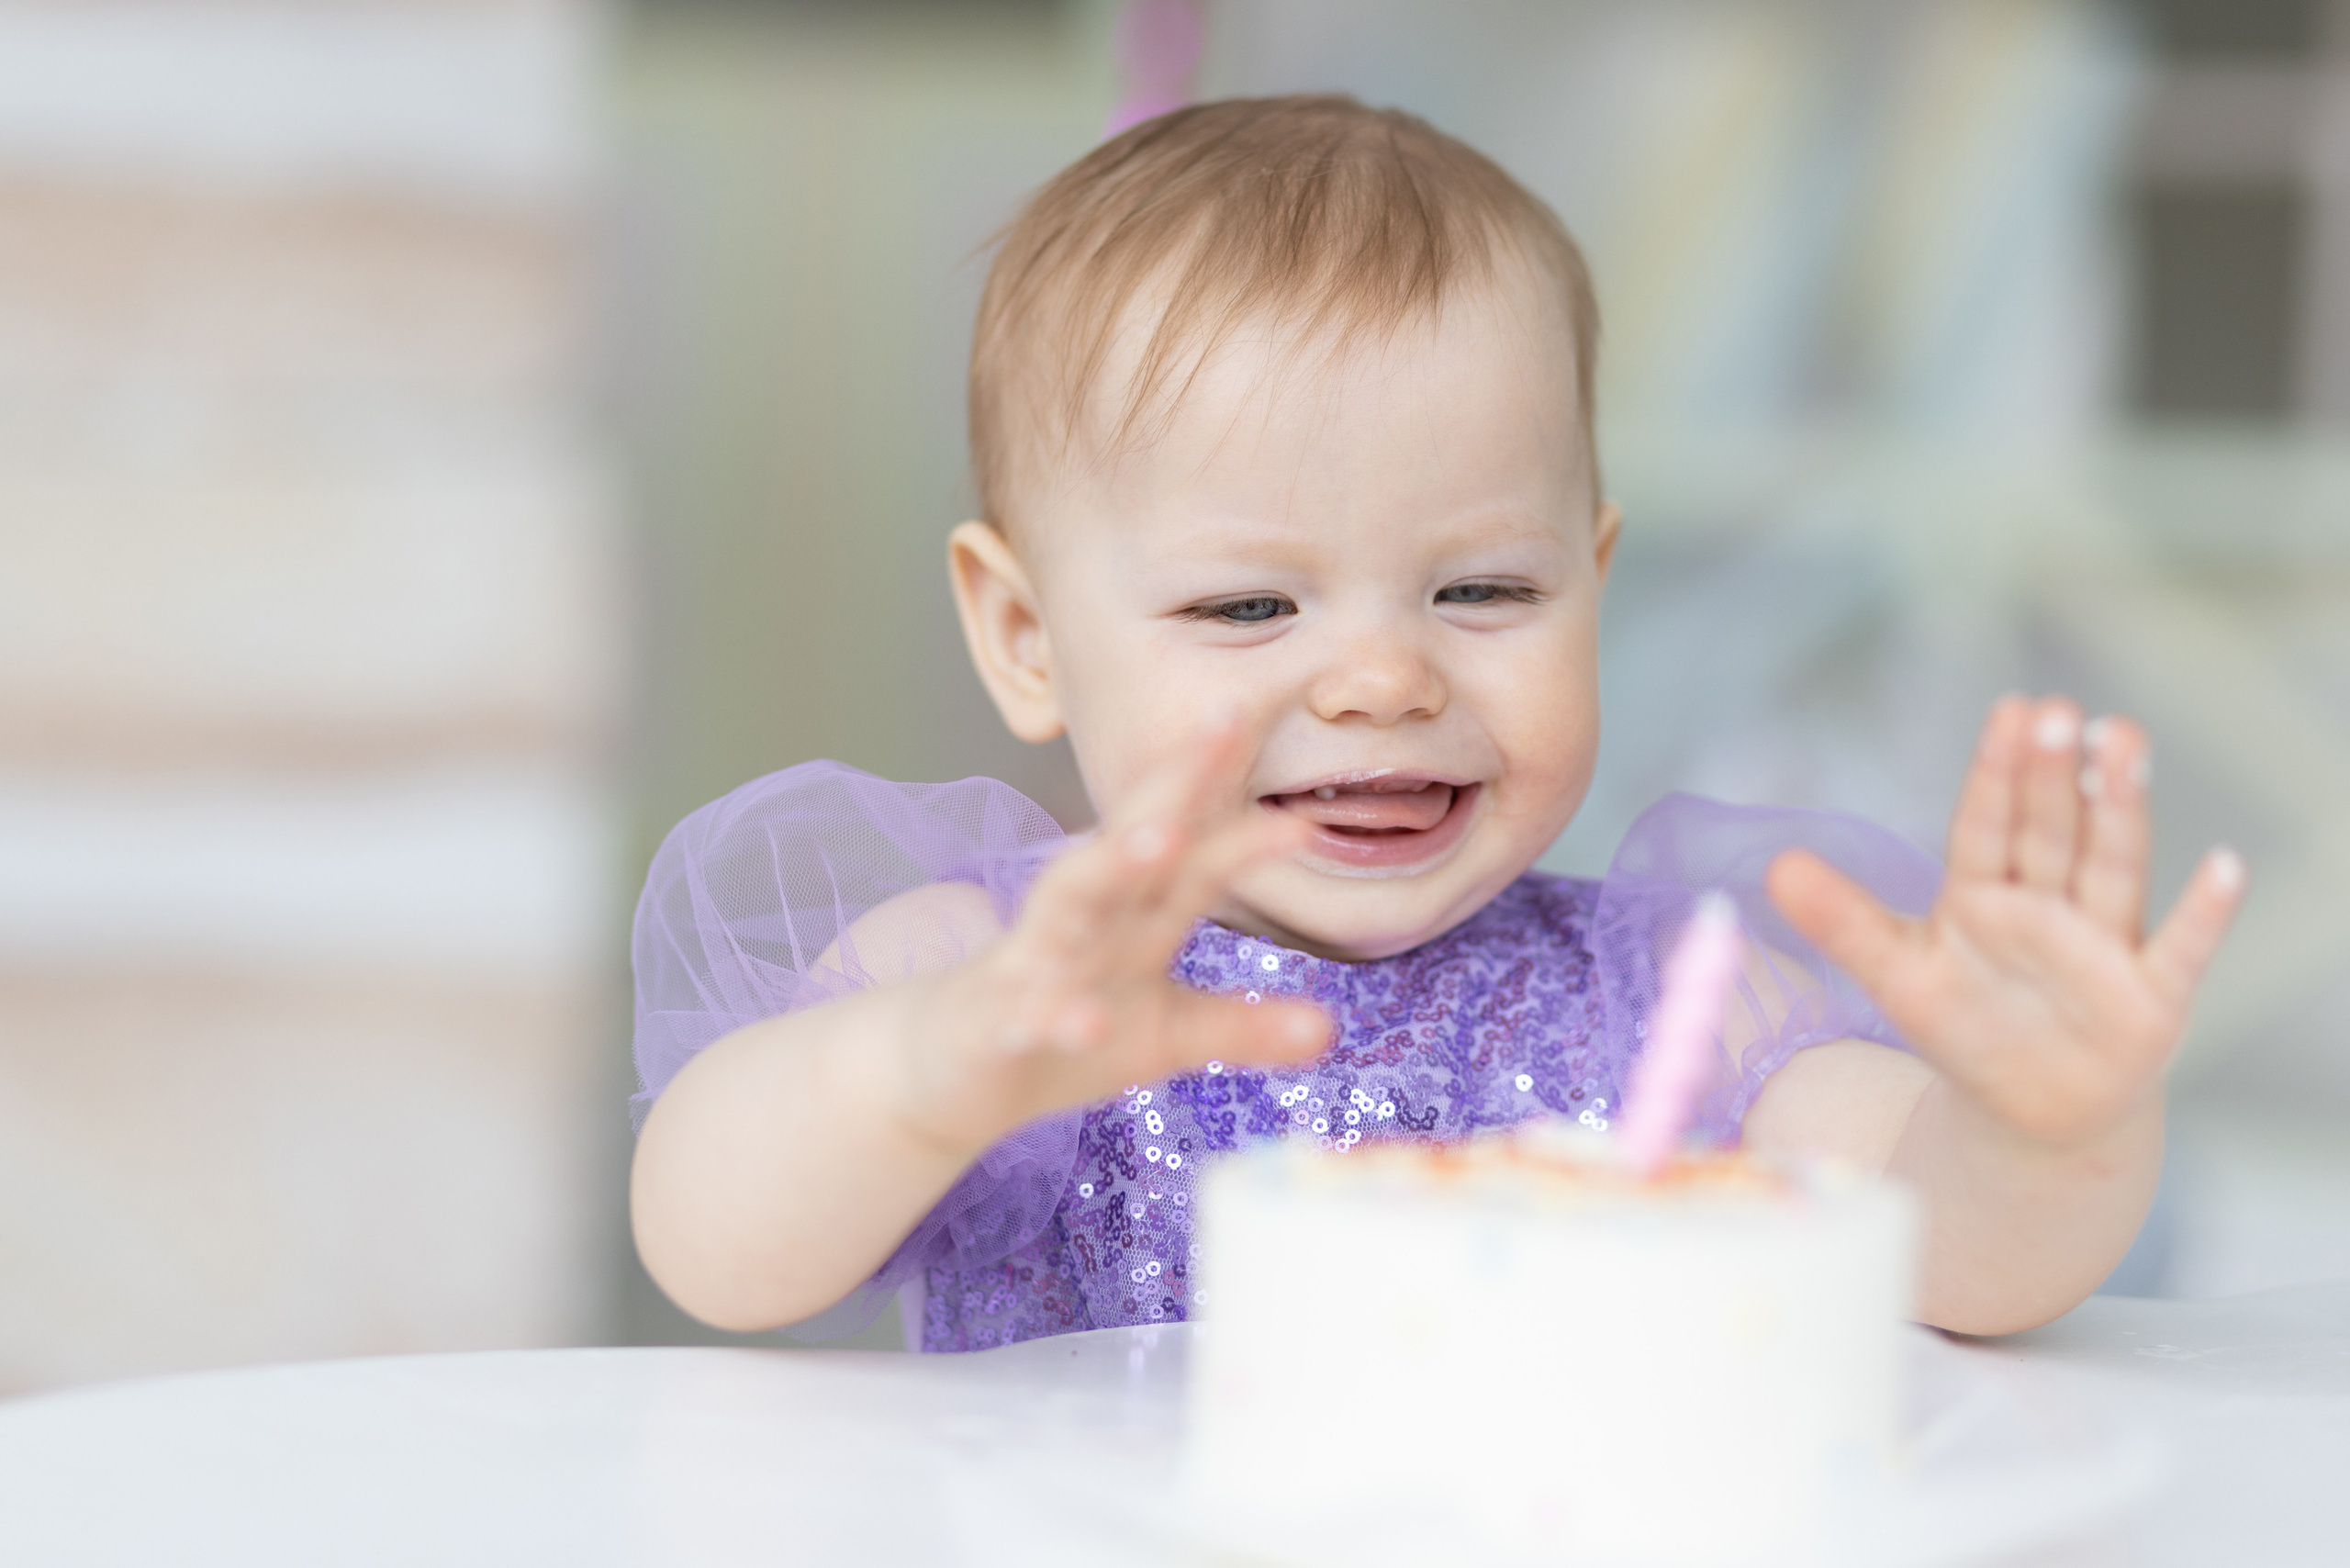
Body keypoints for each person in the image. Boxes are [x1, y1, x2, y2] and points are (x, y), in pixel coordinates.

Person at [627, 95, 2244, 1351]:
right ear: (1027, 639)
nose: (1385, 682)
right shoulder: (993, 982)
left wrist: (2046, 1131)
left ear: (1591, 578)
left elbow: (1951, 1253)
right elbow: (711, 1251)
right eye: (1250, 608)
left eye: (1482, 593)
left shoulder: (1674, 1005)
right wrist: (924, 1074)